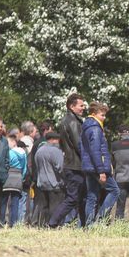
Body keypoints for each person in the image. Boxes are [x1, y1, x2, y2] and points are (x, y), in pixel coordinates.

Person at [49, 93, 87, 228]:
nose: (83, 108)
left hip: (73, 165)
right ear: (72, 106)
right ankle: (52, 223)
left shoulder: (69, 120)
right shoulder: (73, 122)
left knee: (82, 198)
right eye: (81, 105)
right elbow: (79, 145)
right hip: (75, 166)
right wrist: (89, 161)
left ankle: (84, 225)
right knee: (72, 198)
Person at [81, 102, 120, 226]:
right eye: (102, 115)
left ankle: (89, 225)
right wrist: (101, 171)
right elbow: (96, 151)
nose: (104, 118)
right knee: (114, 191)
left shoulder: (86, 127)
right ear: (94, 114)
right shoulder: (96, 129)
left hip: (89, 167)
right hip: (98, 167)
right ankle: (101, 219)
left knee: (92, 196)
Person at [34, 131, 65, 227]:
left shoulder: (39, 151)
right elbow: (60, 167)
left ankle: (42, 225)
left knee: (44, 207)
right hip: (54, 183)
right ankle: (53, 225)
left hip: (42, 183)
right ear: (53, 140)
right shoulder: (55, 151)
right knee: (55, 206)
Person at [1, 135, 27, 226]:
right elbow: (25, 168)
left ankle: (1, 221)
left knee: (4, 201)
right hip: (18, 177)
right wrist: (22, 177)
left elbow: (4, 165)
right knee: (15, 202)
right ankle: (13, 222)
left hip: (8, 176)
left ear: (13, 142)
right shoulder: (23, 153)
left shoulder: (9, 152)